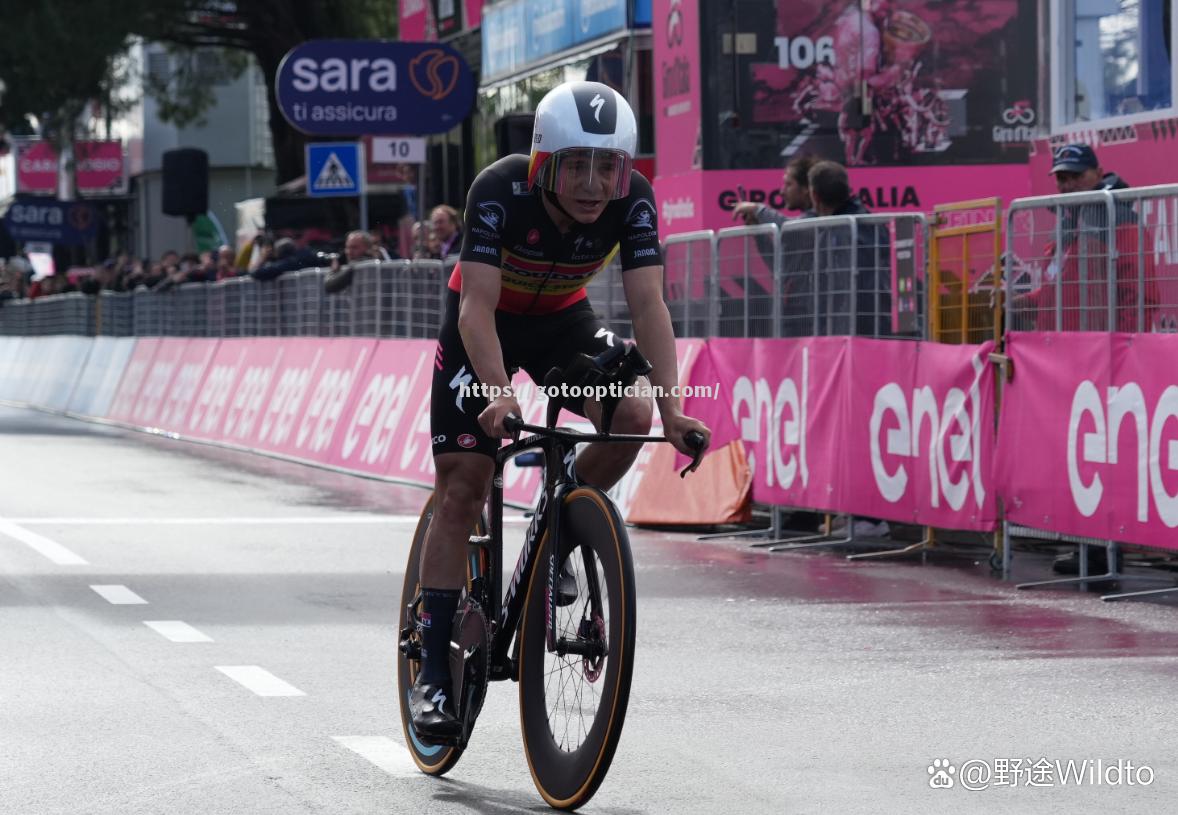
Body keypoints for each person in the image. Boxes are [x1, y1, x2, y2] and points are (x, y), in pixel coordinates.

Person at [409, 80, 712, 741]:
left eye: (609, 165)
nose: (595, 182)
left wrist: (675, 409)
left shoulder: (633, 201)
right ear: (545, 162)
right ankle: (432, 668)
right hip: (484, 327)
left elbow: (649, 307)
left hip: (563, 324)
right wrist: (496, 392)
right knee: (465, 480)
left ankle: (562, 521)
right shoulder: (499, 188)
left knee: (631, 414)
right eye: (578, 163)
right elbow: (475, 308)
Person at [1015, 143, 1158, 337]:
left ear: (1099, 174)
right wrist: (1025, 301)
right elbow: (1062, 287)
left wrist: (1127, 350)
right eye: (1062, 178)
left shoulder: (1121, 222)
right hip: (1053, 351)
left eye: (1078, 176)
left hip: (1098, 352)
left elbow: (1140, 297)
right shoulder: (1064, 225)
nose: (1069, 185)